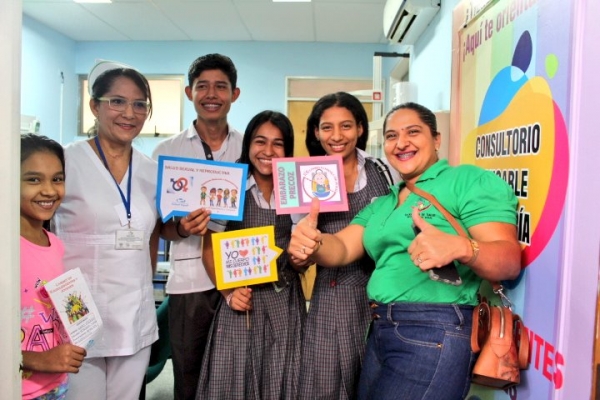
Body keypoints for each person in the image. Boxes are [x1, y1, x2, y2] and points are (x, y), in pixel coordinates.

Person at [290, 102, 522, 400]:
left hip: (434, 330)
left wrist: (462, 248)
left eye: (413, 132)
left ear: (436, 139)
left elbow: (509, 261)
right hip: (379, 330)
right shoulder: (384, 201)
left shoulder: (467, 180)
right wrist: (315, 242)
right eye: (391, 136)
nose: (401, 143)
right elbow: (344, 248)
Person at [53, 61, 161, 400]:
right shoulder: (64, 161)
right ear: (94, 106)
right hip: (78, 308)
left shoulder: (151, 170)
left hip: (134, 310)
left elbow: (155, 232)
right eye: (117, 101)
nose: (129, 113)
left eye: (139, 104)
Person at [292, 92, 396, 400]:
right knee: (326, 381)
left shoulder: (383, 169)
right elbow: (300, 256)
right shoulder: (306, 177)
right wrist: (302, 255)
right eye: (327, 127)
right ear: (316, 132)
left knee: (375, 378)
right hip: (331, 293)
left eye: (346, 126)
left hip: (379, 291)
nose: (337, 136)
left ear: (361, 129)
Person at [151, 53, 243, 400]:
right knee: (189, 372)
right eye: (202, 86)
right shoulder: (166, 151)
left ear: (235, 94)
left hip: (239, 276)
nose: (211, 94)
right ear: (189, 92)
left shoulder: (247, 146)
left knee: (235, 370)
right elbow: (161, 228)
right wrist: (184, 228)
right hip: (189, 282)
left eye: (221, 86)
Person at [196, 110, 305, 399]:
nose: (268, 151)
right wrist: (228, 291)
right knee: (234, 380)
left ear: (288, 148)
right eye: (260, 141)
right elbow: (209, 244)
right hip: (242, 301)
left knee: (282, 377)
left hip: (285, 301)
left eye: (278, 143)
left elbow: (302, 247)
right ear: (248, 146)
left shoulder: (295, 188)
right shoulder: (231, 184)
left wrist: (301, 258)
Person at [20, 134, 87, 399]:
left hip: (57, 386)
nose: (49, 190)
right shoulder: (7, 250)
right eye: (33, 179)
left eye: (57, 179)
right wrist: (34, 360)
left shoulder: (57, 245)